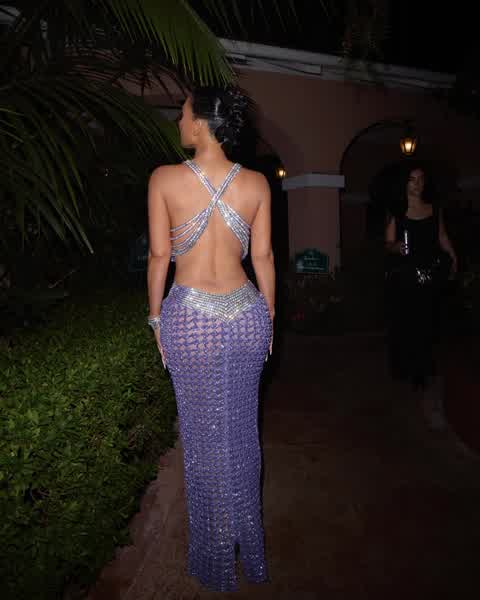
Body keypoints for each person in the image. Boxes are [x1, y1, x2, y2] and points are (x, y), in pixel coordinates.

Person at [146, 85, 275, 592]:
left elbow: (160, 257)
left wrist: (156, 320)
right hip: (247, 316)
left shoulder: (164, 179)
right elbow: (262, 258)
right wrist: (270, 319)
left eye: (182, 114)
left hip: (191, 320)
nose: (179, 122)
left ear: (200, 124)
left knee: (202, 442)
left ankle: (214, 554)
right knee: (242, 434)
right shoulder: (257, 183)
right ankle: (247, 548)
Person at [384, 162, 457, 422]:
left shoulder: (434, 209)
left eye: (421, 179)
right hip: (406, 275)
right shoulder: (397, 211)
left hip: (430, 271)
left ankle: (423, 369)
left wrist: (453, 256)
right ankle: (408, 368)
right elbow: (388, 242)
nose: (417, 184)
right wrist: (396, 248)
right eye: (412, 179)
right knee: (408, 322)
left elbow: (442, 236)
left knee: (428, 320)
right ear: (404, 183)